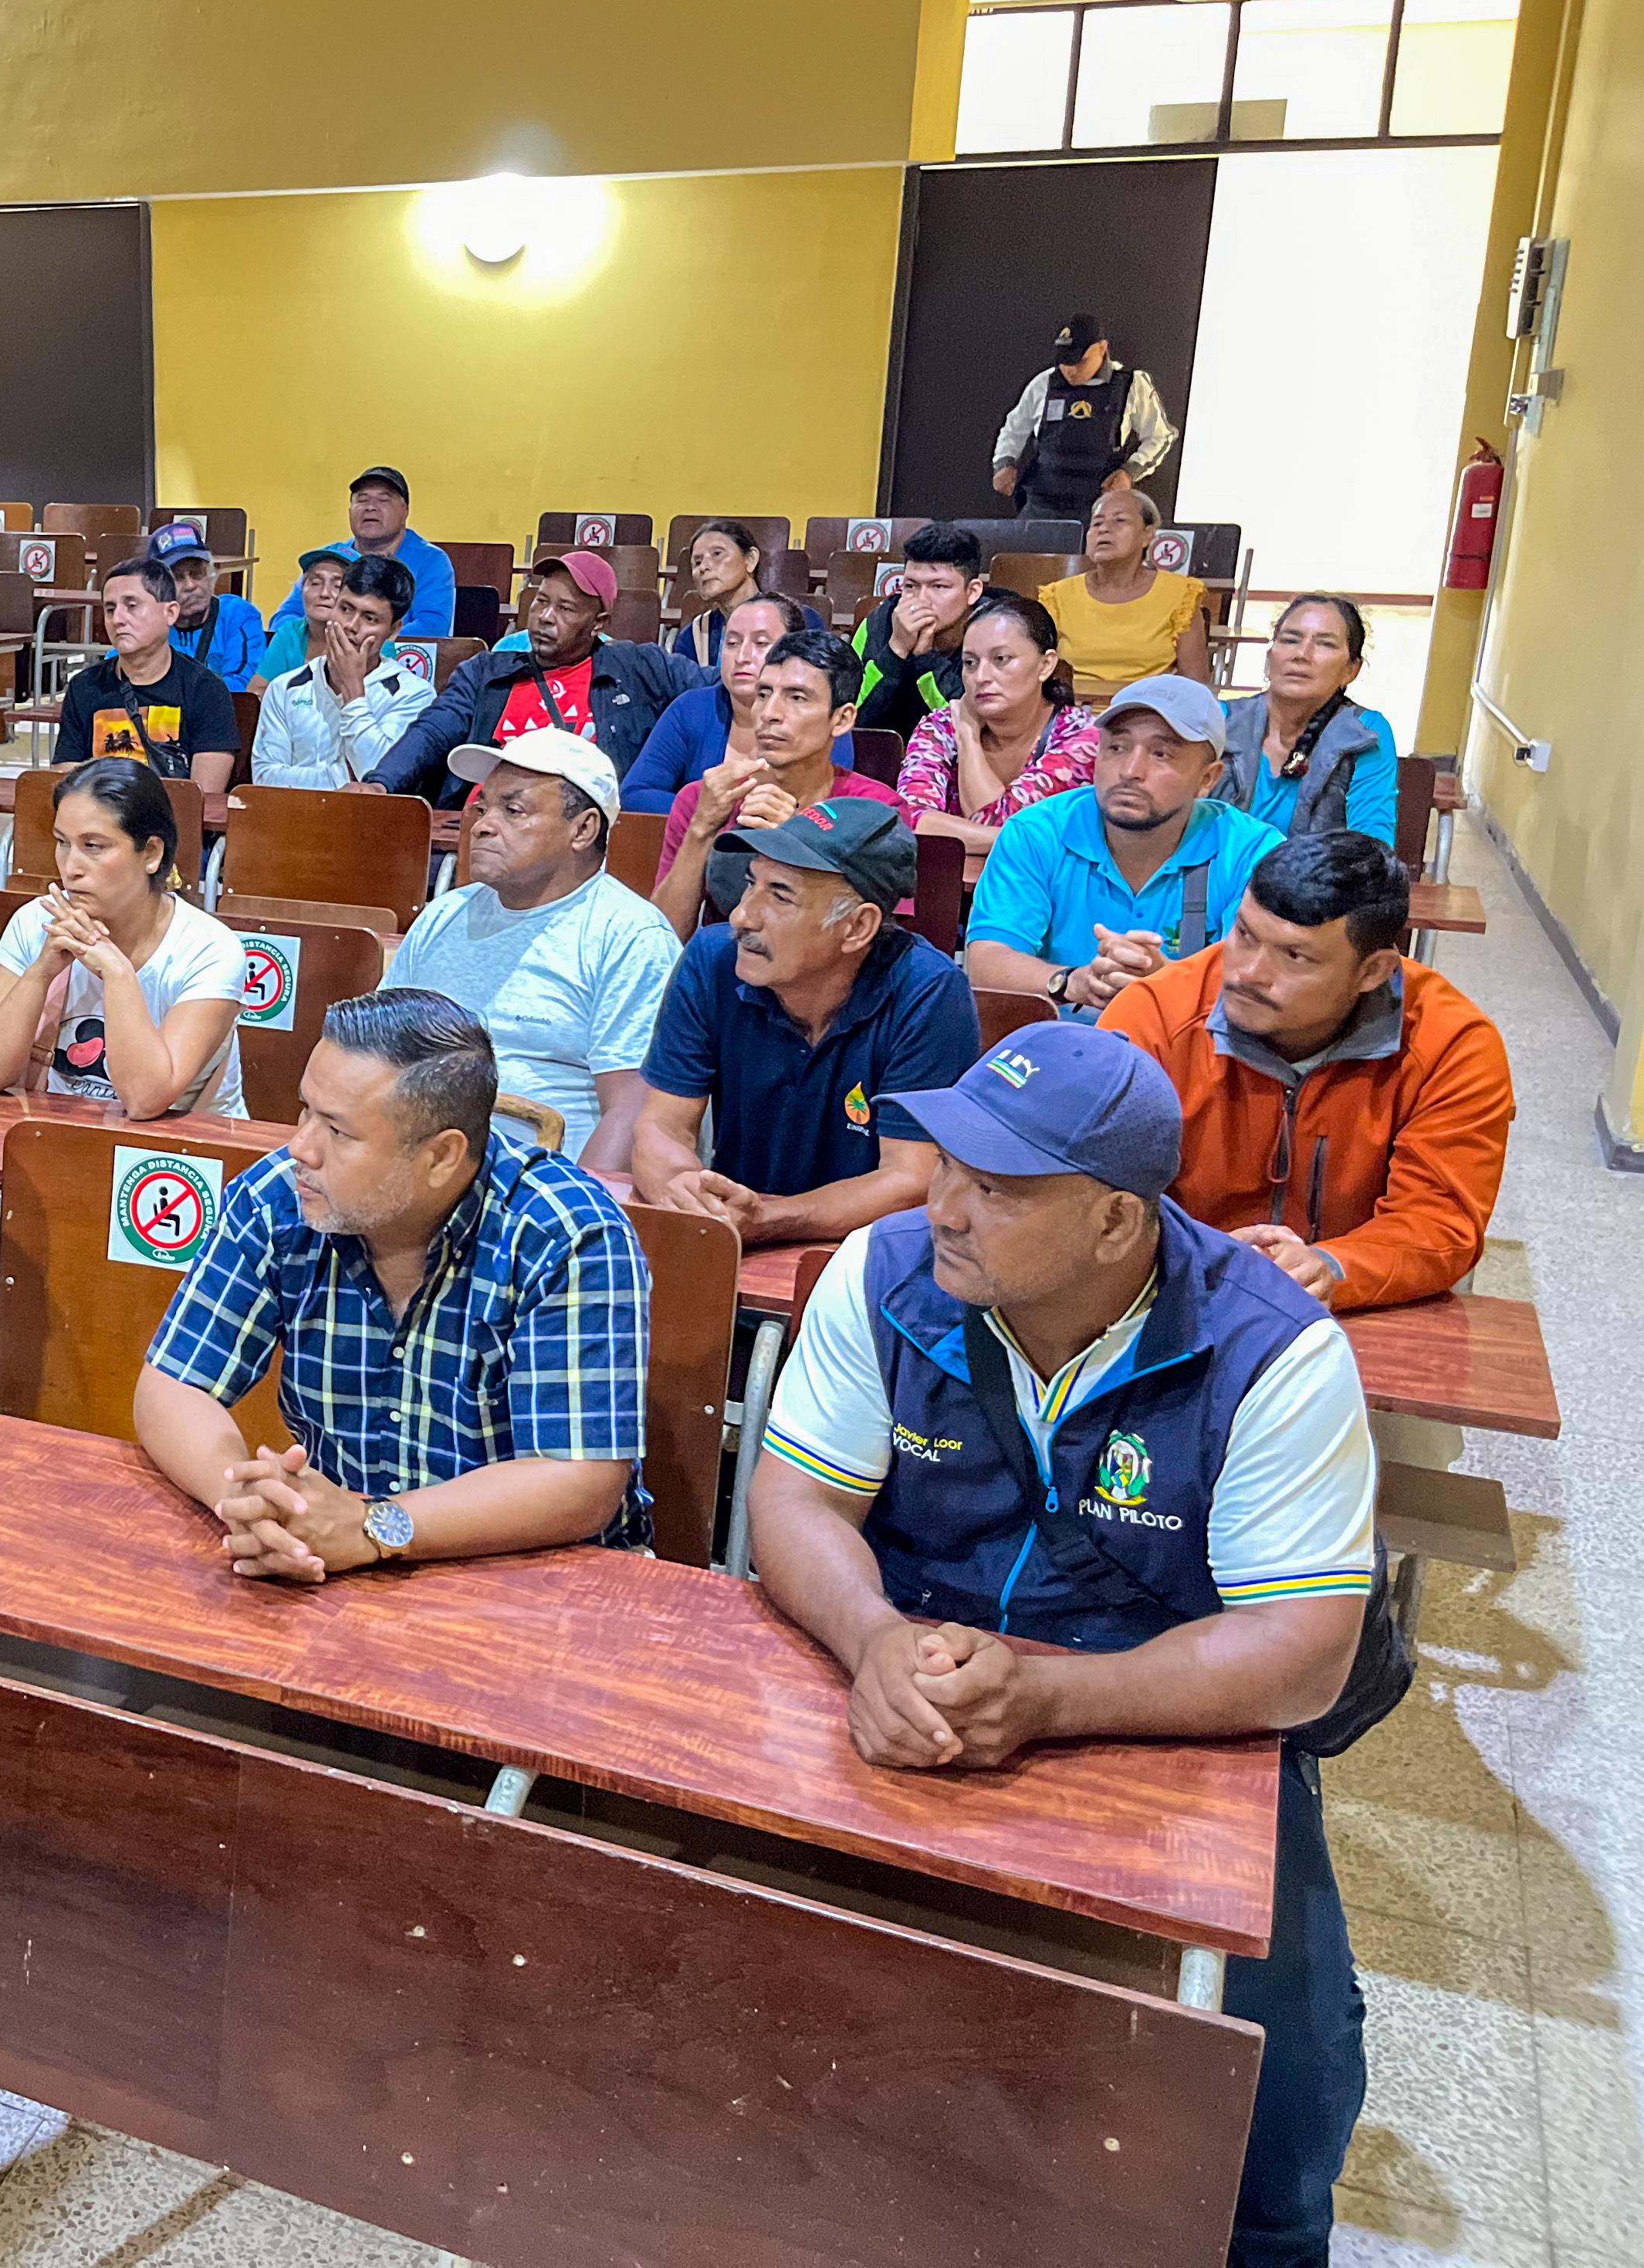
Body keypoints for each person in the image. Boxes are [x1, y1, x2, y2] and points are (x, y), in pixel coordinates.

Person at [745, 1022, 1372, 2268]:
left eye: (998, 1188)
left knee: (1279, 2064)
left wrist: (1047, 1697)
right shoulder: (884, 1271)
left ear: (1115, 1221)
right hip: (909, 1662)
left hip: (1164, 1711)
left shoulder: (1273, 1350)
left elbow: (1300, 1650)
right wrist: (871, 1640)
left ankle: (1261, 2242)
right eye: (946, 1163)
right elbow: (797, 1501)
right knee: (708, 1929)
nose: (946, 1207)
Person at [133, 990, 652, 1579]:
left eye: (337, 1130)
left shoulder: (567, 1234)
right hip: (337, 1562)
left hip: (534, 1574)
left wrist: (374, 1528)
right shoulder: (279, 1197)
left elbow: (580, 1479)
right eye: (305, 1111)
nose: (301, 1147)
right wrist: (251, 1506)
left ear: (441, 1156)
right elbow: (172, 1386)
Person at [1100, 830, 1512, 1316]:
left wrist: (1333, 1267)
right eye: (1245, 935)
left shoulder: (1453, 1047)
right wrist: (1195, 1254)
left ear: (1373, 971)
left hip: (1354, 1308)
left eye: (1294, 956)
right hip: (1173, 1291)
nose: (1247, 973)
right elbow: (1092, 1195)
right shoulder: (1153, 1018)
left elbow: (1438, 1222)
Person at [632, 801, 976, 1248]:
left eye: (780, 896)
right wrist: (687, 1194)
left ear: (857, 927)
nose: (741, 916)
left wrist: (769, 1218)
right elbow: (661, 1126)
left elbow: (911, 1179)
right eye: (751, 883)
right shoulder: (712, 960)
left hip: (863, 1253)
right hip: (735, 1237)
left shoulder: (928, 992)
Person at [386, 729, 679, 1172]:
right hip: (415, 1165)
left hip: (540, 1183)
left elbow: (633, 1110)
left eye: (513, 810)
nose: (482, 825)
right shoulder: (443, 915)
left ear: (583, 829)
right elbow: (378, 1054)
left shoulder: (631, 937)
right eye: (483, 807)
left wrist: (575, 1207)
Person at [966, 675, 1284, 1019]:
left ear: (1207, 779)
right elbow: (985, 962)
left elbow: (1263, 982)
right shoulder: (1037, 833)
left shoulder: (1252, 852)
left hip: (1189, 1045)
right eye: (1117, 748)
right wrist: (1074, 982)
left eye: (1161, 754)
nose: (1131, 771)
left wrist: (1166, 984)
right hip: (1057, 1043)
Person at [0, 758, 245, 1120]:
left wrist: (117, 972)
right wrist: (41, 973)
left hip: (185, 1147)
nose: (70, 868)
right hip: (61, 1131)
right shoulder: (36, 923)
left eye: (93, 846)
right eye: (62, 843)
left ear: (152, 854)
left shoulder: (209, 951)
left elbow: (144, 1101)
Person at [364, 549, 705, 805]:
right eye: (541, 601)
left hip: (585, 833)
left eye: (565, 608)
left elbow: (720, 691)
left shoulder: (639, 668)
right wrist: (381, 783)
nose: (545, 616)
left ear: (598, 623)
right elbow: (433, 732)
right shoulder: (485, 672)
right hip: (487, 819)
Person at [651, 629, 908, 938]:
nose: (769, 713)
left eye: (797, 698)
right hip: (726, 961)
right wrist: (701, 829)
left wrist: (800, 842)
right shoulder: (704, 798)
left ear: (841, 719)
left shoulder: (876, 812)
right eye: (763, 694)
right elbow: (662, 942)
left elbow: (875, 943)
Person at [895, 592, 1101, 845]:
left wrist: (968, 737)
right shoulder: (940, 727)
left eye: (1001, 659)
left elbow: (996, 819)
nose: (981, 677)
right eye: (970, 663)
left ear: (1046, 665)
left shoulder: (1082, 737)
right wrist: (1030, 841)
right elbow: (911, 820)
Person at [617, 593, 853, 814]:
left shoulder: (821, 718)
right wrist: (713, 810)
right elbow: (635, 793)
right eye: (732, 643)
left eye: (761, 643)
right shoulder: (691, 709)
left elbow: (828, 809)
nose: (741, 657)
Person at [50, 556, 236, 804]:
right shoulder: (84, 687)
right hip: (98, 820)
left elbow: (201, 799)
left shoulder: (206, 690)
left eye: (132, 606)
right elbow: (68, 783)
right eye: (110, 609)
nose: (118, 619)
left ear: (170, 612)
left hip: (172, 823)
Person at [1213, 594, 1395, 844]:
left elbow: (1370, 849)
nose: (1302, 654)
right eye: (1290, 640)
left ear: (1351, 670)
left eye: (1325, 644)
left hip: (1319, 871)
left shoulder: (1365, 733)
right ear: (1269, 658)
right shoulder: (1219, 720)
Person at [249, 553, 431, 788]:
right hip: (292, 812)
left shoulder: (413, 695)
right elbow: (265, 780)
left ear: (393, 630)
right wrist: (342, 779)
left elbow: (381, 783)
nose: (351, 626)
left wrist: (353, 694)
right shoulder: (284, 688)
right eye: (345, 609)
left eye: (370, 618)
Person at [990, 311, 1181, 522]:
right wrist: (1004, 463)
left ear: (1102, 348)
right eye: (1065, 361)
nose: (1070, 370)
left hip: (1099, 508)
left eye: (1080, 362)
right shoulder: (1044, 383)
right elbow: (1013, 429)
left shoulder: (1131, 385)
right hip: (1042, 505)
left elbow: (1161, 436)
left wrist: (1130, 472)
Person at [1037, 486, 1211, 698]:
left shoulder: (1180, 594)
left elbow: (1195, 684)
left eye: (1119, 521)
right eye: (1097, 523)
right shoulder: (1057, 596)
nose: (1104, 529)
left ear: (1148, 535)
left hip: (1148, 712)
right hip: (1073, 712)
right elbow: (1035, 674)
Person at [262, 466, 456, 641]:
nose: (370, 507)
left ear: (405, 511)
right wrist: (323, 641)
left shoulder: (432, 561)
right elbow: (283, 618)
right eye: (362, 500)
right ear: (350, 511)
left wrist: (365, 644)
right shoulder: (329, 559)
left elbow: (432, 628)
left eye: (383, 500)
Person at [851, 523, 986, 739]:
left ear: (972, 592)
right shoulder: (876, 625)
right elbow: (850, 721)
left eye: (938, 587)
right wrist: (895, 650)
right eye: (911, 586)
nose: (921, 600)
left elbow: (977, 726)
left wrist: (926, 660)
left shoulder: (995, 632)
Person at [151, 519, 264, 691]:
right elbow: (117, 674)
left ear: (211, 574)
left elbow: (241, 689)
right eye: (177, 577)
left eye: (197, 573)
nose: (190, 585)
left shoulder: (236, 615)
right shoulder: (149, 622)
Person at [665, 519, 765, 670]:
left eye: (717, 554)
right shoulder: (695, 636)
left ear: (750, 559)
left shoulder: (792, 623)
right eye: (697, 562)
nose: (703, 567)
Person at [255, 546, 350, 684]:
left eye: (338, 586)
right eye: (316, 583)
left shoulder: (368, 640)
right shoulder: (290, 634)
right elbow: (258, 689)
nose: (324, 593)